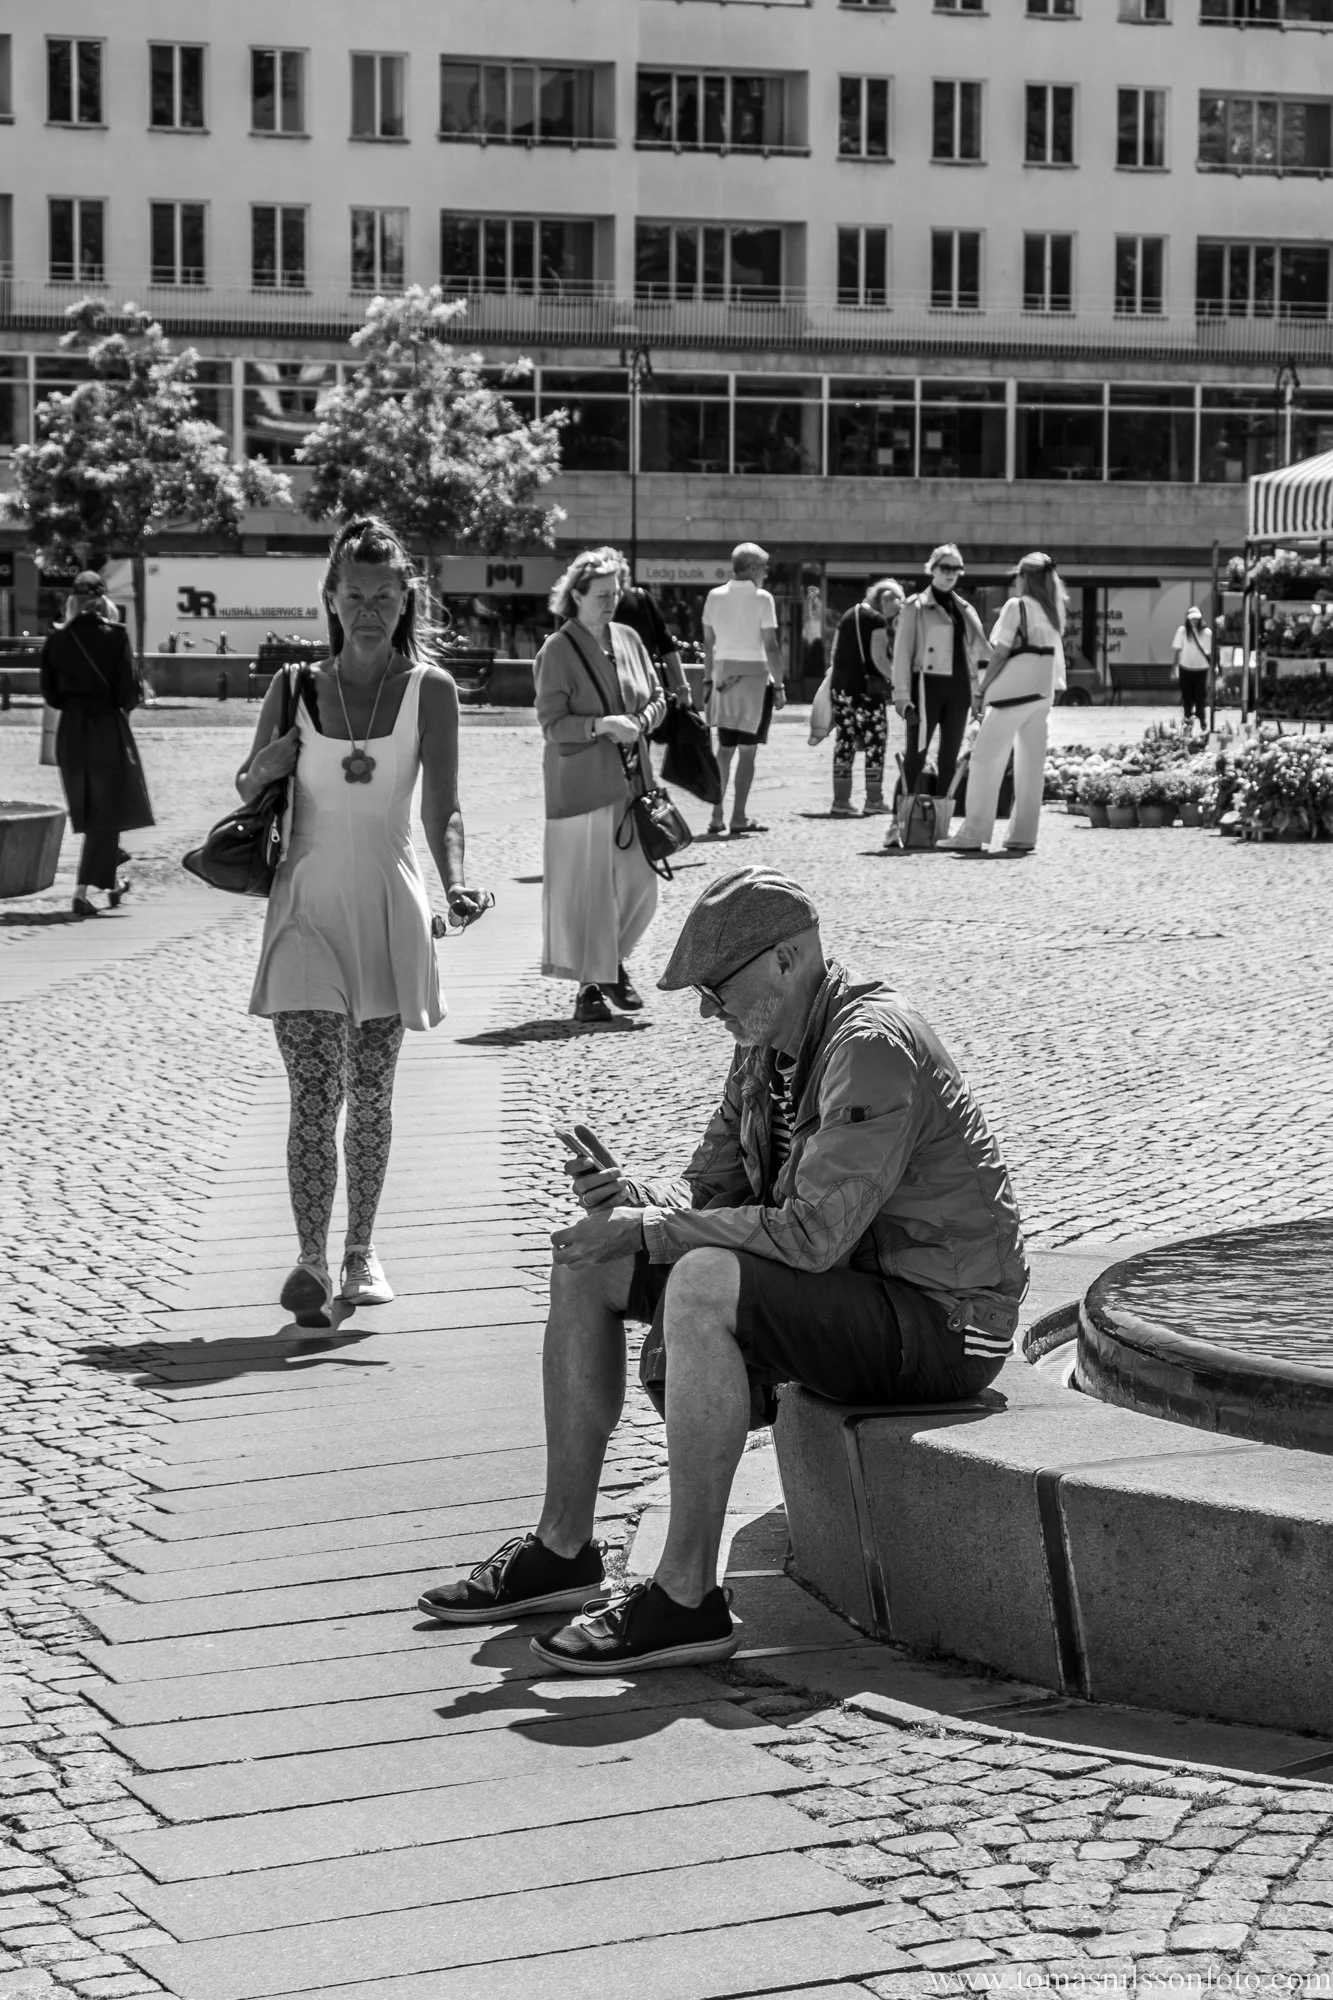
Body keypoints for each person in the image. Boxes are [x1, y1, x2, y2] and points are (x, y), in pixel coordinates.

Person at [418, 866, 1028, 1673]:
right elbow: (710, 1196)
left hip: (944, 1327)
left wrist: (651, 1226)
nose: (708, 1009)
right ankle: (562, 1546)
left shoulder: (870, 1046)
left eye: (717, 988)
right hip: (854, 1297)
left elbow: (809, 1236)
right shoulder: (767, 1050)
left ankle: (685, 1597)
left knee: (702, 1276)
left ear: (787, 959)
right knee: (585, 1258)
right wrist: (625, 1202)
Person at [240, 516, 491, 1326]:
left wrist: (455, 885)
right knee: (314, 1092)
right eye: (357, 595)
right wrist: (264, 767)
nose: (371, 609)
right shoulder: (294, 688)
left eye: (386, 595)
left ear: (406, 597)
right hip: (305, 908)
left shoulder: (431, 692)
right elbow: (249, 786)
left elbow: (442, 807)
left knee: (372, 1097)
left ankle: (361, 1252)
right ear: (333, 598)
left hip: (388, 907)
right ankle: (311, 1260)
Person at [534, 547, 668, 1026]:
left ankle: (609, 963)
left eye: (616, 593)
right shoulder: (558, 650)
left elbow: (657, 697)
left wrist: (642, 718)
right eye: (602, 595)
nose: (612, 601)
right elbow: (552, 724)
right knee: (586, 892)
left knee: (641, 888)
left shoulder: (629, 638)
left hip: (633, 783)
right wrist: (601, 725)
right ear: (576, 595)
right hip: (580, 784)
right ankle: (591, 986)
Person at [39, 571, 153, 918]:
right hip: (105, 728)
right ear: (103, 601)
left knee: (91, 809)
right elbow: (128, 694)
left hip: (71, 732)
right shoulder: (114, 636)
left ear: (72, 601)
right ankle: (82, 891)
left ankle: (111, 879)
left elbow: (51, 695)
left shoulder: (56, 639)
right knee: (108, 810)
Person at [941, 552, 1067, 857]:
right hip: (1041, 696)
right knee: (1030, 767)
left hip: (1012, 695)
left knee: (985, 760)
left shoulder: (1017, 606)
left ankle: (973, 833)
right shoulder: (1052, 612)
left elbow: (999, 654)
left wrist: (982, 689)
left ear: (1025, 578)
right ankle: (1023, 835)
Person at [890, 545, 990, 806]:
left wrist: (980, 694)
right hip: (925, 688)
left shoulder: (966, 609)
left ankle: (939, 824)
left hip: (958, 690)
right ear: (932, 569)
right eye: (945, 567)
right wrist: (901, 698)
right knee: (915, 757)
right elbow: (901, 656)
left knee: (949, 761)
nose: (951, 574)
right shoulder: (915, 607)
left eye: (957, 568)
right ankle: (897, 822)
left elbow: (980, 655)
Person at [701, 543, 786, 838]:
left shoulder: (714, 596)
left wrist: (708, 682)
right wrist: (780, 683)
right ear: (750, 567)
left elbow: (708, 645)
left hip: (724, 677)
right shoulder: (762, 598)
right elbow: (771, 646)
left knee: (724, 750)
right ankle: (738, 816)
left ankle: (716, 814)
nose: (765, 573)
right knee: (747, 752)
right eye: (763, 567)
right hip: (754, 678)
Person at [828, 579, 903, 817]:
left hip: (840, 688)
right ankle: (874, 799)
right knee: (875, 742)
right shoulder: (877, 620)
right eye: (896, 605)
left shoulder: (849, 615)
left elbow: (834, 652)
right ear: (886, 599)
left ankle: (840, 800)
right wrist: (898, 681)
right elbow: (878, 657)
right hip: (866, 690)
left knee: (845, 741)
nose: (896, 612)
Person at [613, 581, 693, 709]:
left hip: (643, 689)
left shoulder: (641, 599)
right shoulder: (587, 608)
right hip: (606, 691)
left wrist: (683, 686)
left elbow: (666, 644)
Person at [1172, 607, 1212, 736]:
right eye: (1192, 619)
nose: (1194, 621)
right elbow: (1178, 649)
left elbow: (1211, 651)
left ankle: (1203, 726)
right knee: (1187, 700)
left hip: (1201, 669)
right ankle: (1188, 728)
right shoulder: (1182, 631)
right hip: (1186, 668)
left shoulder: (1207, 633)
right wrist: (1174, 667)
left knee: (1200, 699)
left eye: (1196, 619)